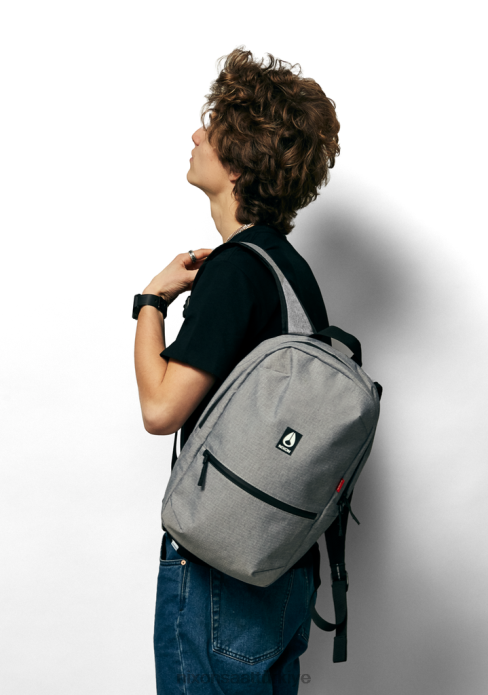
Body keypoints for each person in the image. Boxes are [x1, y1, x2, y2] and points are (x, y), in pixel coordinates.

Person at [133, 47, 340, 695]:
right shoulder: (291, 273)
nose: (197, 135)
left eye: (213, 128)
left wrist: (150, 302)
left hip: (220, 573)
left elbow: (160, 409)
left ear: (239, 161)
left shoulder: (235, 272)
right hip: (284, 567)